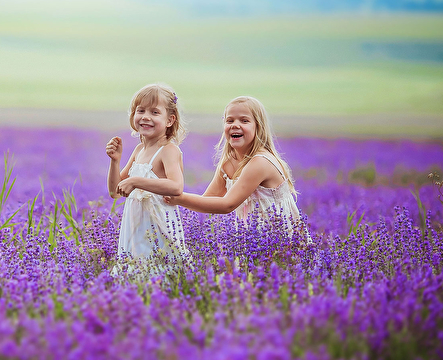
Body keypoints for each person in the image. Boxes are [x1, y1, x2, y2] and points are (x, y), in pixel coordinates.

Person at [164, 95, 301, 224]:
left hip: (280, 237)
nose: (235, 125)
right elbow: (208, 200)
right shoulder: (228, 163)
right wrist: (167, 194)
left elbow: (227, 205)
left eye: (244, 120)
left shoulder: (260, 162)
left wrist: (179, 198)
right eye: (230, 121)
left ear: (258, 127)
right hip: (252, 237)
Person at [106, 83, 187, 263]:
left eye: (154, 112)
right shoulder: (139, 150)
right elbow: (115, 191)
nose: (145, 117)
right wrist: (115, 161)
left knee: (159, 268)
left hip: (159, 229)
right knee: (135, 269)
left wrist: (136, 181)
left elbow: (176, 187)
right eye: (140, 111)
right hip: (135, 231)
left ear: (170, 120)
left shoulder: (168, 150)